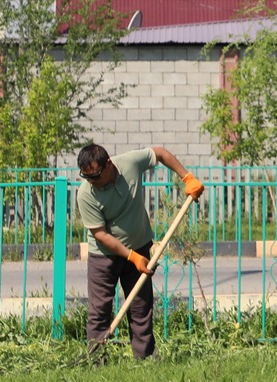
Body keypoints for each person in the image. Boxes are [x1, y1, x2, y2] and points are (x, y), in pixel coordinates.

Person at [75, 142, 204, 361]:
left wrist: (187, 177)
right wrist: (131, 257)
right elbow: (101, 235)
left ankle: (146, 358)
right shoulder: (86, 194)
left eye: (95, 176)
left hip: (140, 247)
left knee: (141, 306)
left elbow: (161, 153)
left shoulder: (130, 163)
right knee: (99, 311)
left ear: (108, 165)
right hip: (103, 256)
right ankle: (95, 360)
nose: (92, 182)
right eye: (87, 177)